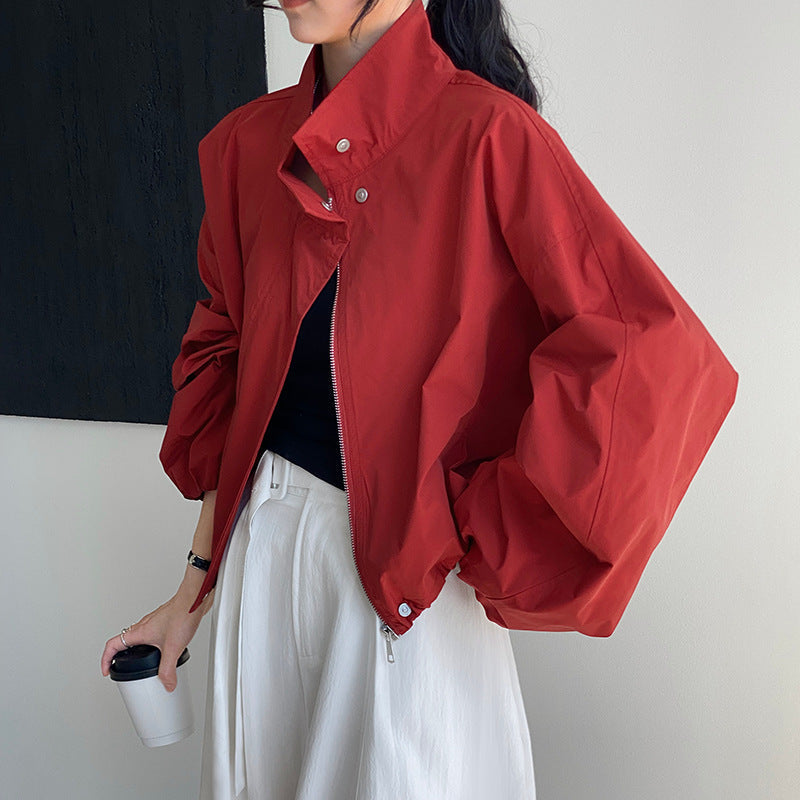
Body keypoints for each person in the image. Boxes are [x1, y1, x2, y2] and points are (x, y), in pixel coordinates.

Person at [101, 0, 739, 798]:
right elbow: (232, 380)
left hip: (400, 592)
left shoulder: (489, 137)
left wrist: (481, 528)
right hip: (258, 568)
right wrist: (191, 591)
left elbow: (647, 350)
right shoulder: (246, 147)